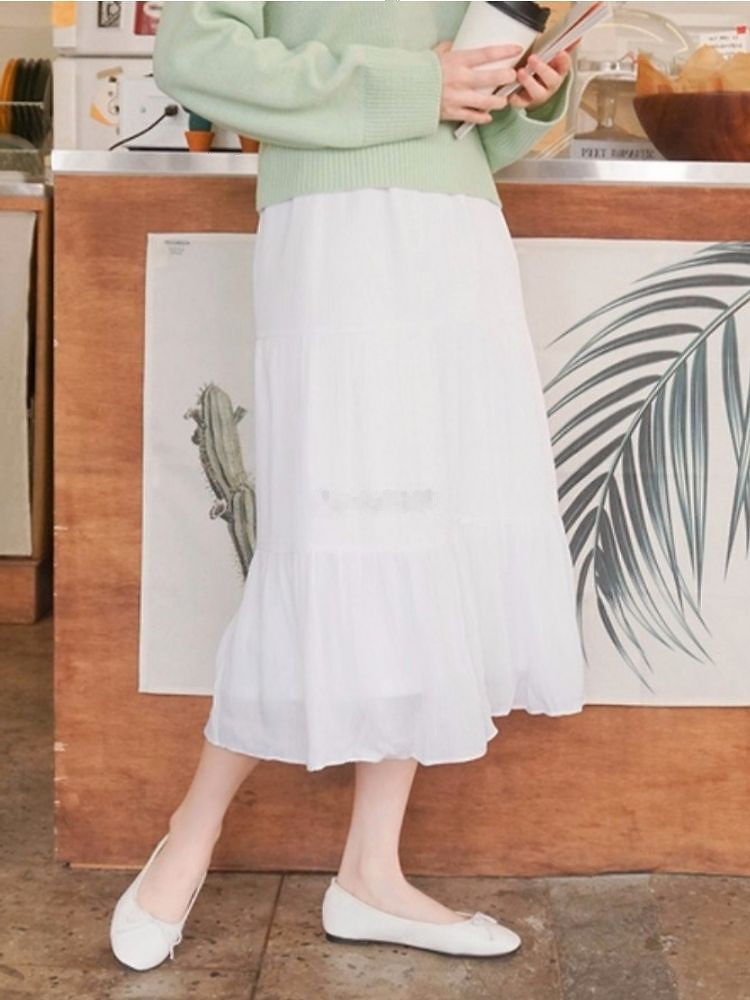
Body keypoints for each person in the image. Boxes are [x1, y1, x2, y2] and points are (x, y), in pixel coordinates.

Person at [110, 0, 585, 970]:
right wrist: (419, 83)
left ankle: (371, 872)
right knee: (334, 534)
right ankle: (191, 831)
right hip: (336, 231)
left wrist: (520, 94)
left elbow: (458, 129)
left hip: (457, 231)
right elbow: (194, 53)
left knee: (427, 533)